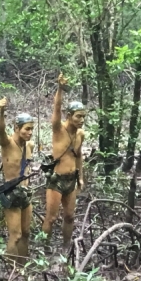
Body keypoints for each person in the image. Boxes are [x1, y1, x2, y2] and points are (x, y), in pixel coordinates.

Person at [43, 74, 85, 251]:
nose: (81, 120)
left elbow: (79, 156)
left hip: (71, 180)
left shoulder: (80, 134)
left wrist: (81, 177)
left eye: (83, 117)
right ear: (69, 116)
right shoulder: (58, 130)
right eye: (78, 117)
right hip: (56, 180)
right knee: (51, 218)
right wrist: (60, 89)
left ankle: (66, 247)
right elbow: (57, 108)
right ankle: (44, 246)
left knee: (69, 216)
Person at [0, 98, 35, 263]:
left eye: (32, 129)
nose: (30, 132)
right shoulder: (7, 144)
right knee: (16, 235)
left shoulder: (29, 146)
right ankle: (10, 268)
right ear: (17, 128)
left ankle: (22, 266)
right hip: (11, 194)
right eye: (27, 129)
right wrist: (2, 112)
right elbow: (0, 130)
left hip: (25, 194)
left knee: (26, 232)